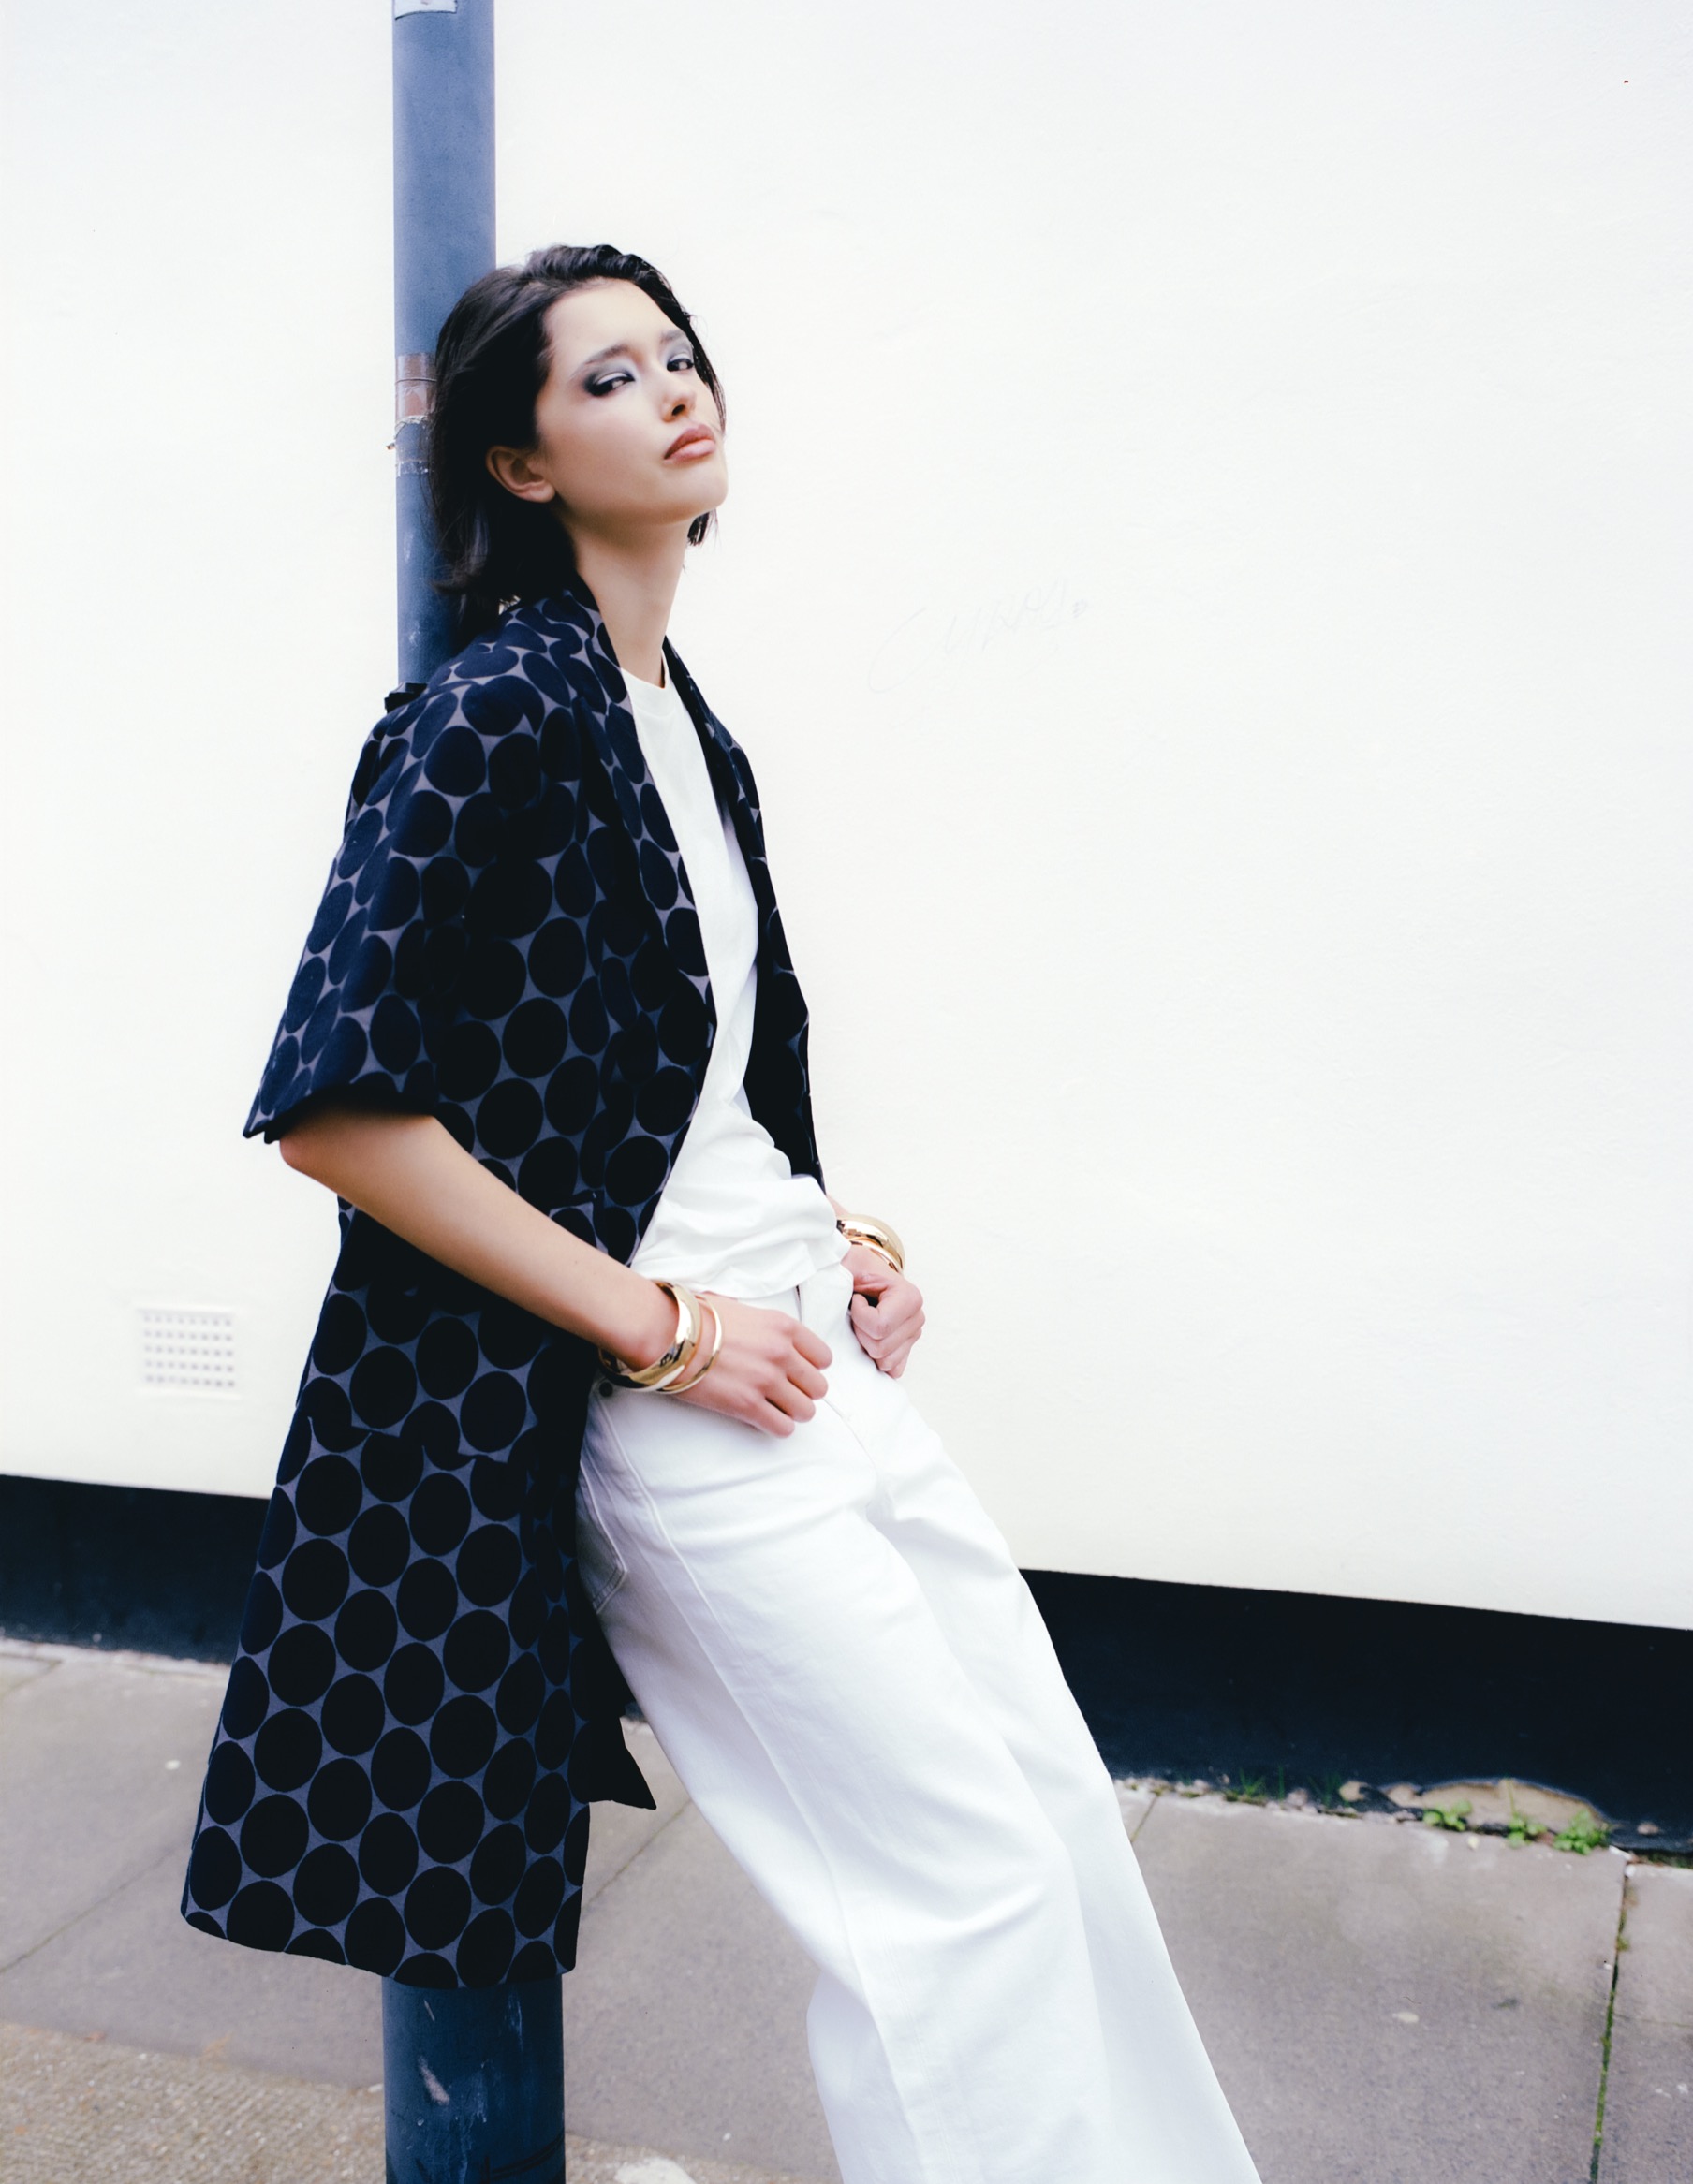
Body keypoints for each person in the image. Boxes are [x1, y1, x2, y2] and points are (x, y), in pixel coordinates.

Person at [183, 242, 1259, 2183]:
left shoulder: (680, 715)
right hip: (676, 1413)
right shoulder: (489, 714)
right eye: (607, 376)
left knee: (1051, 1829)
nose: (675, 388)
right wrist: (659, 1324)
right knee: (958, 1900)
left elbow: (689, 1084)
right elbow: (338, 1113)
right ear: (519, 464)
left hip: (810, 1361)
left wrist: (843, 1239)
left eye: (679, 355)